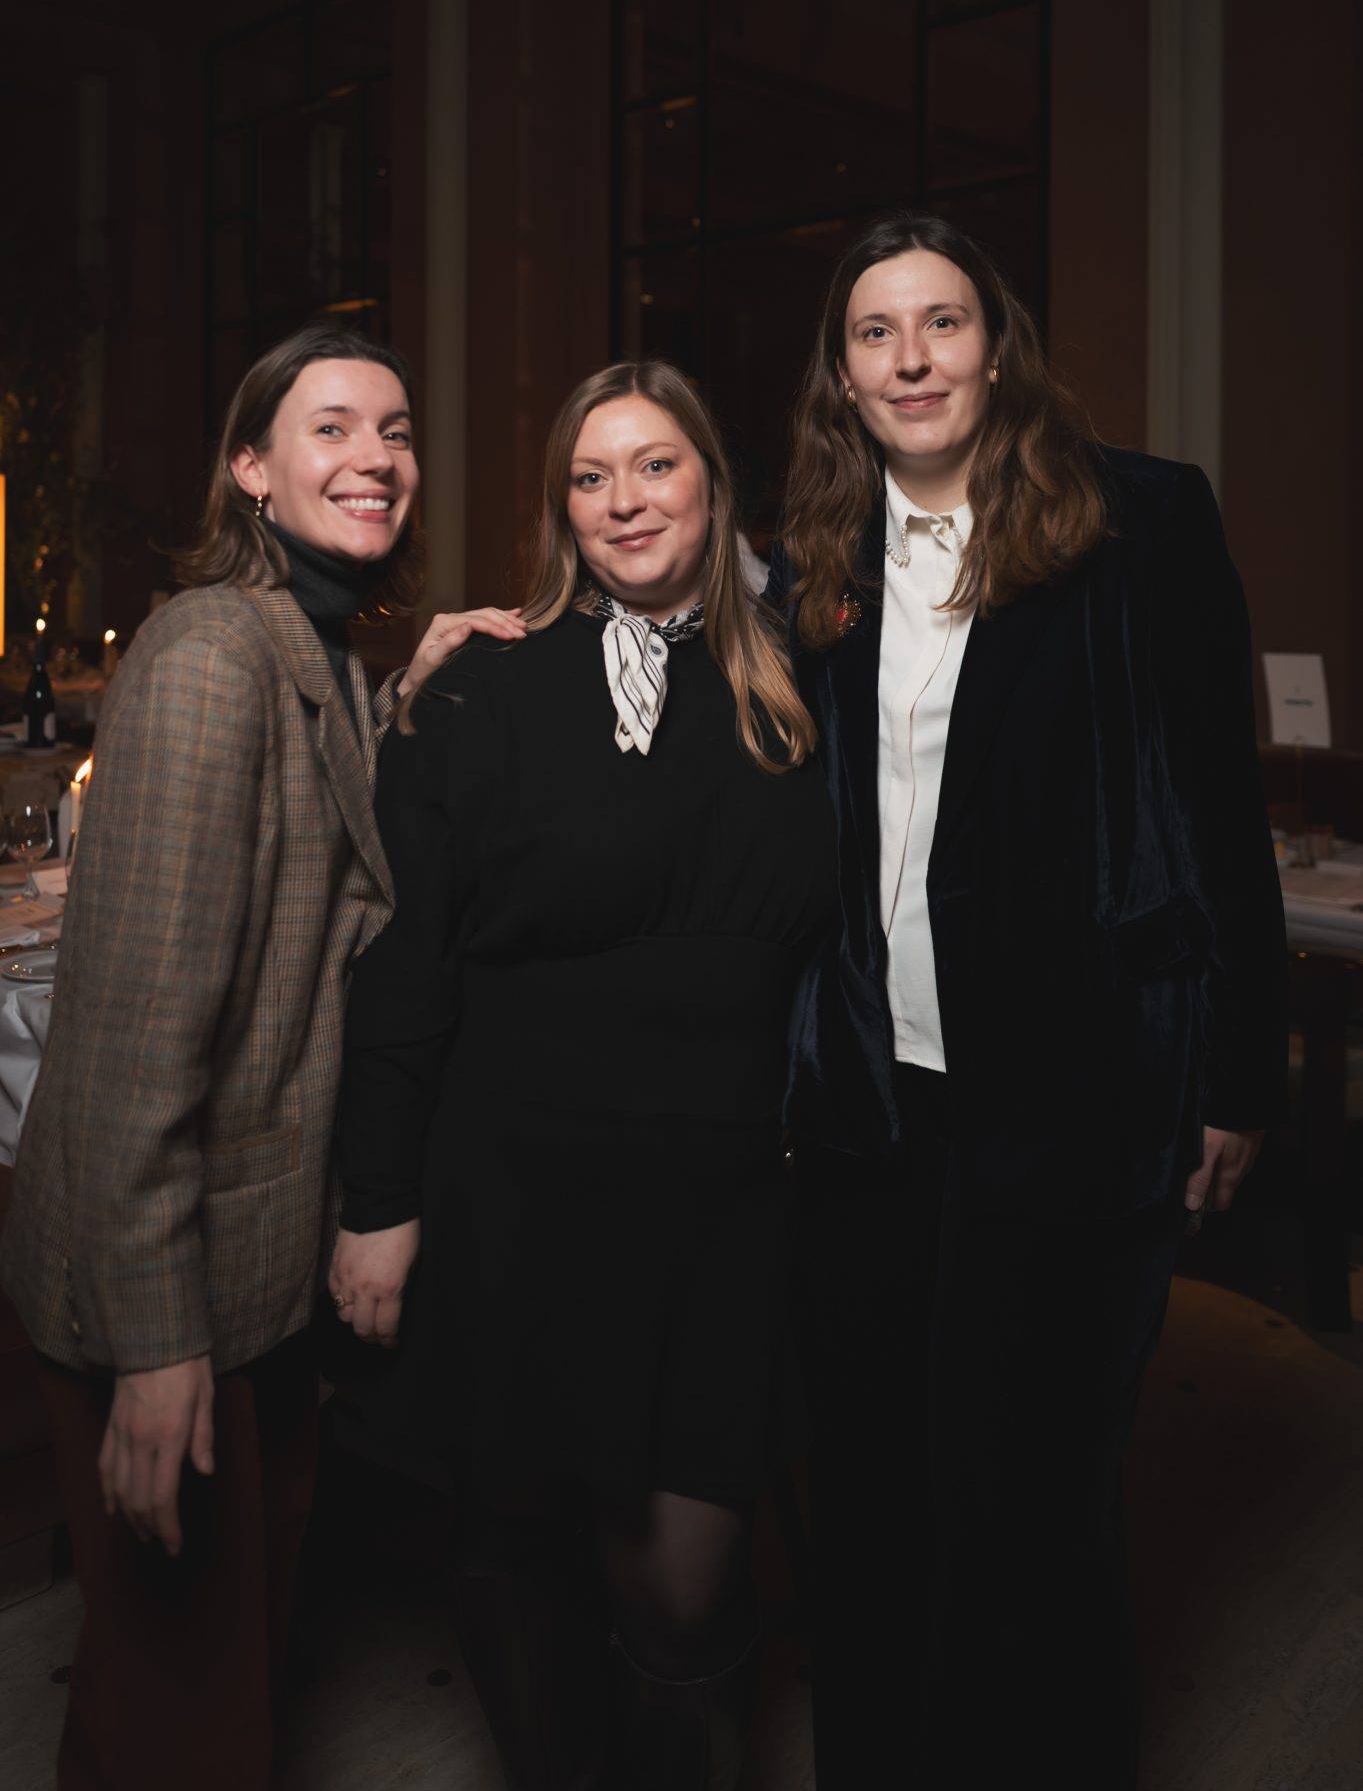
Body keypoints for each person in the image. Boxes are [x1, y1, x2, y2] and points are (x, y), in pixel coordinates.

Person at [768, 212, 1287, 1790]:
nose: (912, 358)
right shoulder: (815, 564)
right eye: (876, 333)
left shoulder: (1139, 520)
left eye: (942, 322)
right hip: (872, 1110)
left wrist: (1237, 1075)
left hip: (1074, 1096)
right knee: (869, 1497)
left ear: (997, 346)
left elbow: (1221, 805)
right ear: (843, 375)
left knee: (1037, 1510)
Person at [0, 323, 522, 1791]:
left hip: (251, 1267)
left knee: (181, 1687)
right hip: (164, 1287)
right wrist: (157, 1348)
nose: (377, 458)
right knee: (190, 1714)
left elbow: (324, 839)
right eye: (332, 428)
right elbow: (133, 1042)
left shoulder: (310, 645)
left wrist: (409, 684)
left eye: (396, 431)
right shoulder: (205, 659)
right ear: (248, 467)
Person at [330, 359, 836, 1791]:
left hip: (722, 1203)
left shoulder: (805, 681)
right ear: (561, 508)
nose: (626, 501)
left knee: (682, 1586)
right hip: (517, 1188)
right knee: (518, 1544)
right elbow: (407, 960)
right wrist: (378, 1199)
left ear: (714, 484)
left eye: (656, 465)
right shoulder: (482, 683)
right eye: (591, 477)